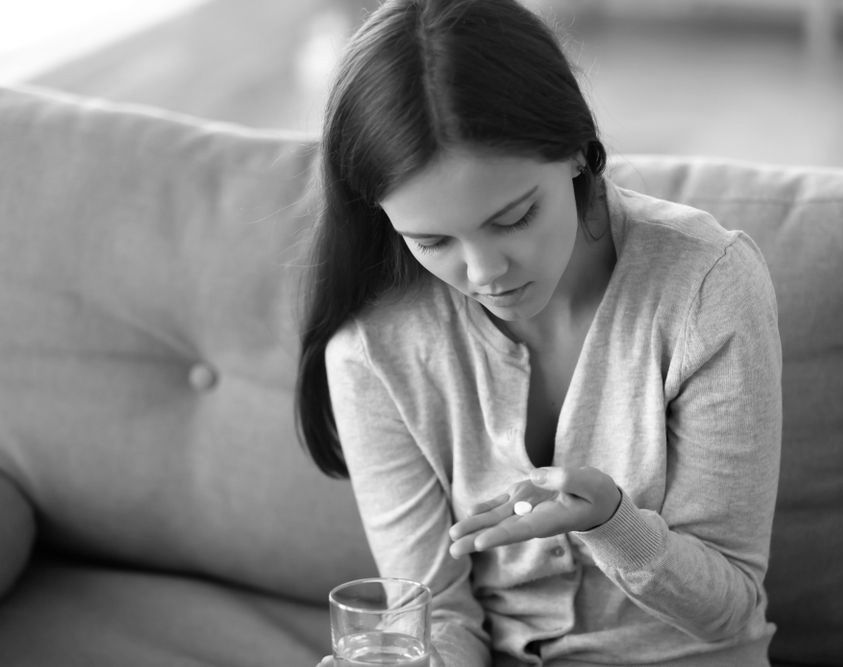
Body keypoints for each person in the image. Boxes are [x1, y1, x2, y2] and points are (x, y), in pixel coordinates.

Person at [297, 0, 783, 664]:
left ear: (579, 152)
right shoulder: (372, 349)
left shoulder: (706, 286)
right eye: (431, 240)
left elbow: (729, 611)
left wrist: (614, 522)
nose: (484, 272)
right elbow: (441, 616)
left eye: (515, 216)